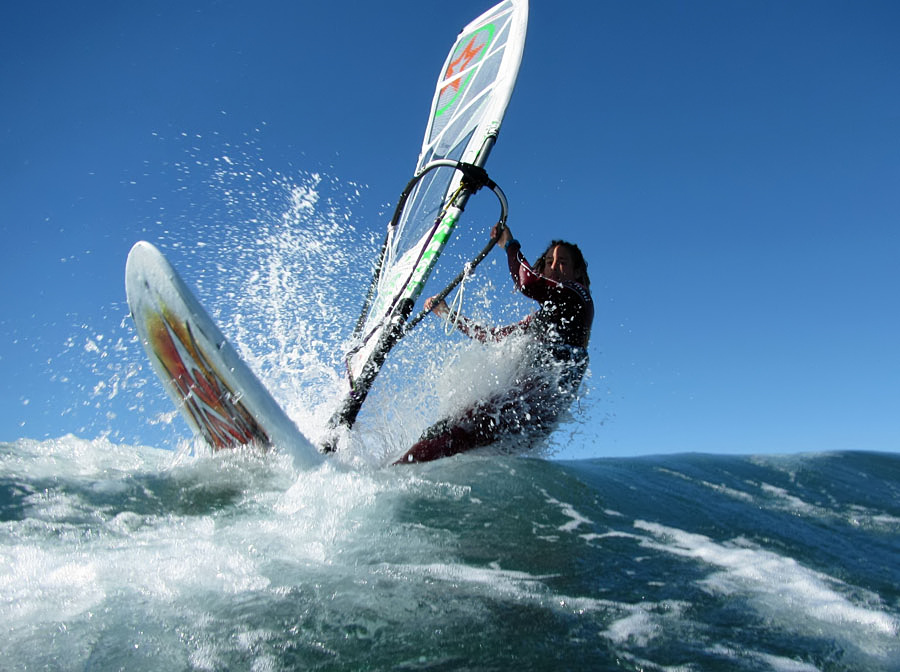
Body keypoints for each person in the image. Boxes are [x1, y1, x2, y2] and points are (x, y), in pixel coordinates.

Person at [393, 224, 594, 464]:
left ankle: (395, 472)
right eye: (549, 260)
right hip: (529, 416)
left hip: (531, 406)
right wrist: (448, 314)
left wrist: (509, 244)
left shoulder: (577, 296)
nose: (553, 267)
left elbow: (527, 283)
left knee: (456, 430)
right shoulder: (543, 319)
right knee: (449, 432)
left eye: (562, 262)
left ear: (577, 272)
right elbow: (494, 337)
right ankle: (404, 469)